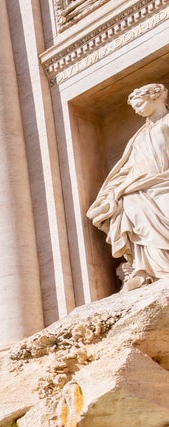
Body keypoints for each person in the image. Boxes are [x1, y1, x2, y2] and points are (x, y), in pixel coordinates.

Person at [88, 83, 169, 290]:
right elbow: (127, 167)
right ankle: (145, 269)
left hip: (164, 182)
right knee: (129, 201)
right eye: (134, 108)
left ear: (156, 97)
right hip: (140, 187)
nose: (137, 110)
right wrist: (111, 192)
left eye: (140, 104)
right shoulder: (140, 136)